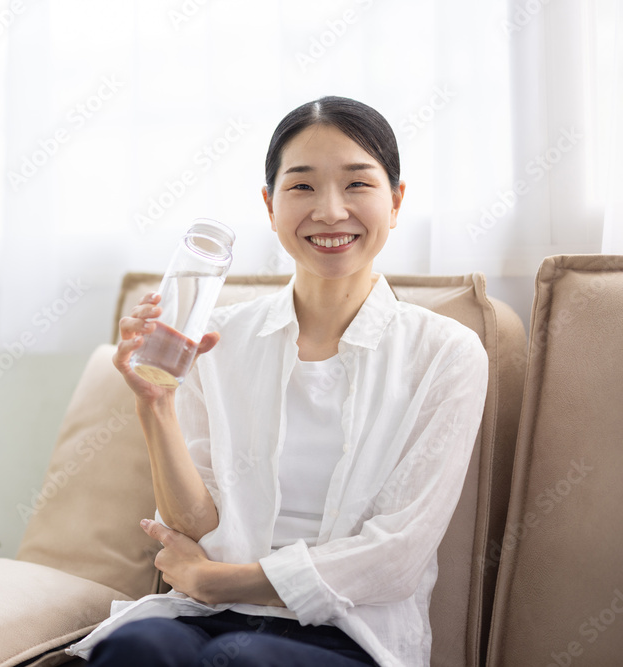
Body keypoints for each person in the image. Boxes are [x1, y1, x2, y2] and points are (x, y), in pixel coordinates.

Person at [66, 96, 489, 667]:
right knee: (136, 647)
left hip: (350, 633)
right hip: (209, 615)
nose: (331, 211)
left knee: (244, 661)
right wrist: (156, 405)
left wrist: (221, 580)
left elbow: (397, 555)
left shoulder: (445, 353)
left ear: (395, 201)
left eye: (357, 184)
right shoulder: (214, 341)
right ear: (270, 206)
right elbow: (196, 526)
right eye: (302, 186)